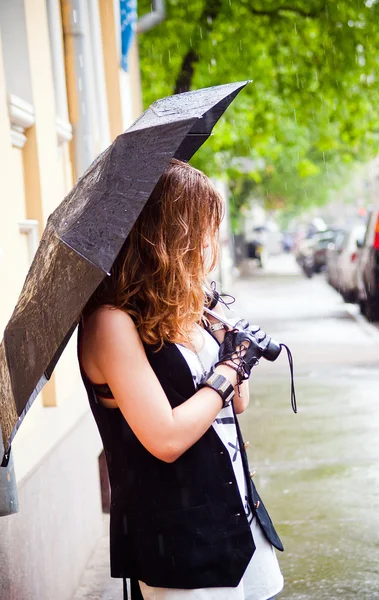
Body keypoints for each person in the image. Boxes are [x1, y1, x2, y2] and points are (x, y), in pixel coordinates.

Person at [77, 159, 284, 600]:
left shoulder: (184, 309)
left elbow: (237, 404)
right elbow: (166, 439)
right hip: (178, 535)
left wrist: (228, 337)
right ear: (170, 236)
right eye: (204, 228)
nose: (212, 242)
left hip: (235, 517)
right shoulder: (110, 324)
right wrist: (231, 367)